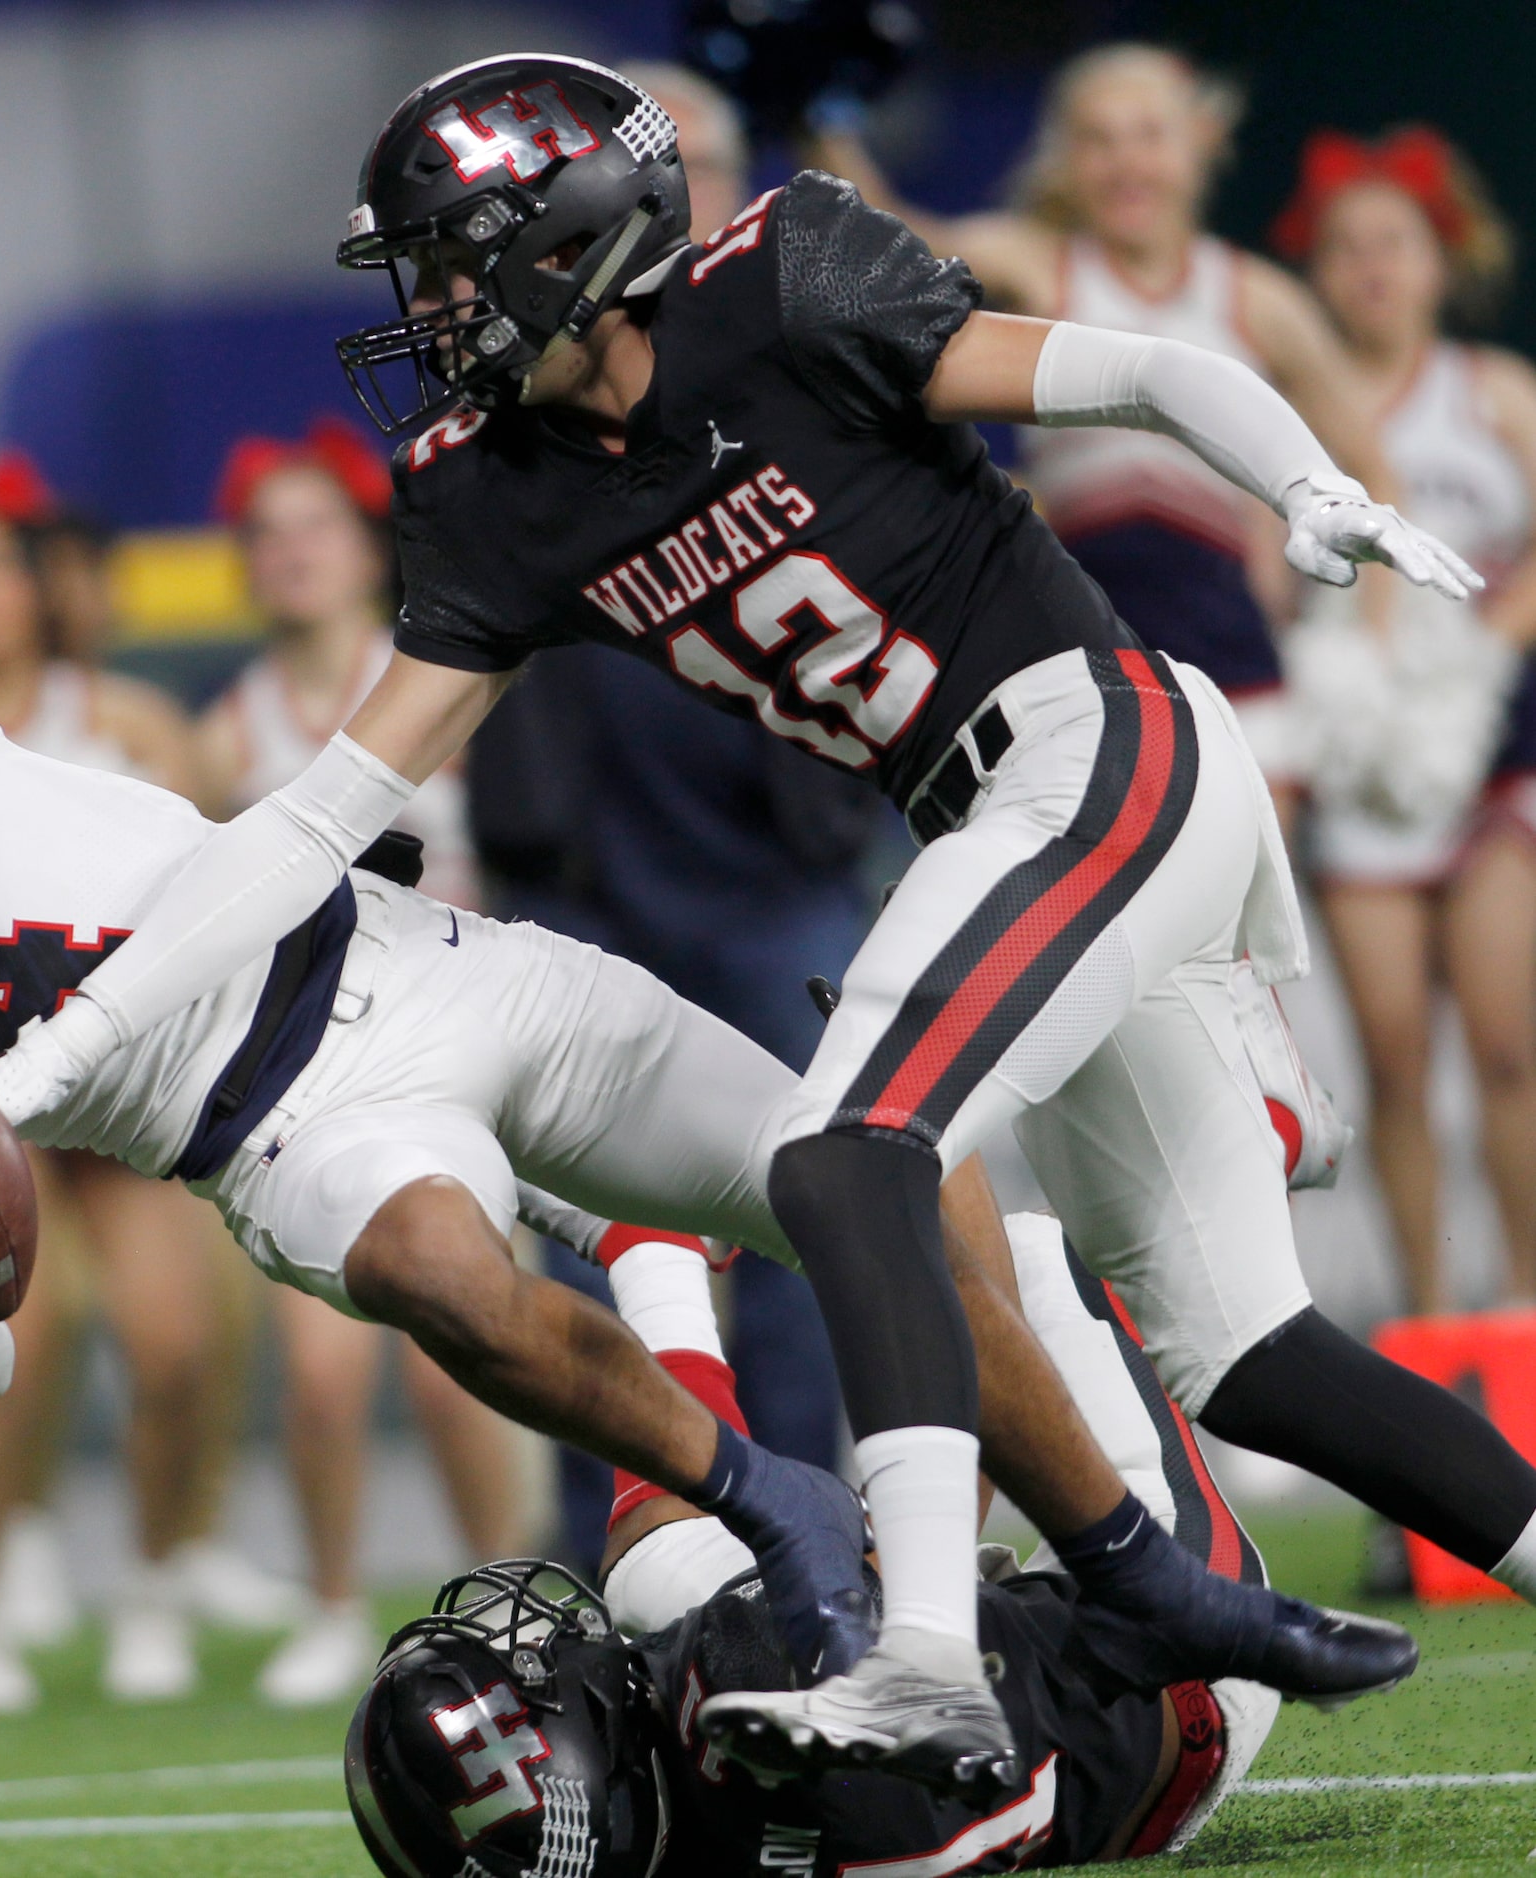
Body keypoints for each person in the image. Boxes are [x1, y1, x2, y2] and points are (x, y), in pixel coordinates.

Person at [0, 54, 1530, 1789]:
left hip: (1100, 740)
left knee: (845, 1146)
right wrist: (72, 1045)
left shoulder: (781, 282)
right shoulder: (501, 490)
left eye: (451, 260)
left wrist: (1305, 484)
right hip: (988, 817)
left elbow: (1137, 370)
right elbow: (317, 820)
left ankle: (925, 1653)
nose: (430, 307)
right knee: (1240, 1351)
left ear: (567, 241)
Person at [0, 634, 1415, 1799]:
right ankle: (771, 1494)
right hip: (263, 1131)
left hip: (403, 956)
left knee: (850, 1178)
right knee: (448, 1276)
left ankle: (1128, 1556)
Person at [346, 1210, 1281, 1878]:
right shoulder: (763, 1670)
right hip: (1179, 1676)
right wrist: (908, 1145)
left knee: (658, 1574)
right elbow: (944, 1484)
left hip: (934, 1758)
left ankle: (652, 1250)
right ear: (572, 1757)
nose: (535, 1649)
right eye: (527, 1683)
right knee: (1016, 1262)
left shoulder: (626, 1835)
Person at [461, 62, 861, 1554]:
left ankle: (817, 1521)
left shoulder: (791, 348)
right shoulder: (507, 371)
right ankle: (622, 1541)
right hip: (575, 877)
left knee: (821, 1212)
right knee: (589, 1243)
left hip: (773, 862)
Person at [0, 452, 298, 1709]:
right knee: (9, 1335)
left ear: (39, 584)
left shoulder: (129, 722)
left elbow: (227, 879)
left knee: (173, 1342)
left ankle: (157, 1587)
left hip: (119, 1080)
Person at [812, 42, 1395, 806]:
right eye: (1097, 140)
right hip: (1084, 633)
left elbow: (1370, 467)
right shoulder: (1038, 265)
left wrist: (1360, 646)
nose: (1126, 164)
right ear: (1065, 161)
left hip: (1232, 645)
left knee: (1252, 902)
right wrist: (821, 115)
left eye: (1148, 136)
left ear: (1199, 146)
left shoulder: (1255, 299)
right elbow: (878, 236)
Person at [194, 416, 518, 1706]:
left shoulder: (443, 671)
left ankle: (501, 1596)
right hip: (314, 1068)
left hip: (470, 1040)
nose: (292, 554)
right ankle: (335, 1601)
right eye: (265, 535)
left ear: (365, 543)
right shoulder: (225, 732)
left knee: (470, 1367)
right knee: (323, 1373)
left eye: (314, 524)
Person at [1274, 129, 1536, 1314]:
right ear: (1313, 272)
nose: (1372, 269)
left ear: (1440, 260)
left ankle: (1525, 1320)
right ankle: (1432, 1331)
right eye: (1346, 250)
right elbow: (1261, 571)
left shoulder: (1492, 392)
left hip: (1487, 759)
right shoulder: (1294, 412)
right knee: (1390, 1053)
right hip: (1360, 762)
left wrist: (1482, 648)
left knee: (1507, 1052)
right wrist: (1345, 671)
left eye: (1396, 245)